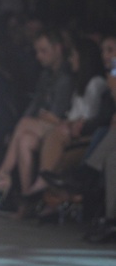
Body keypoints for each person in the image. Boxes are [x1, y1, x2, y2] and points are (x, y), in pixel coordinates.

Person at [0, 29, 73, 207]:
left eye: (44, 51)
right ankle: (27, 199)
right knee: (24, 140)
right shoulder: (46, 75)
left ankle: (2, 174)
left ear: (58, 48)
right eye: (37, 51)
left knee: (24, 124)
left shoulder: (66, 77)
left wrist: (37, 118)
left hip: (59, 130)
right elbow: (35, 108)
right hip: (41, 129)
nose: (39, 56)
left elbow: (57, 115)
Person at [26, 36, 107, 195]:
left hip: (85, 136)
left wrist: (68, 123)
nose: (70, 60)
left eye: (73, 56)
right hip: (73, 131)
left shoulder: (96, 83)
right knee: (32, 137)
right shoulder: (81, 84)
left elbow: (88, 117)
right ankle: (40, 187)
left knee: (52, 133)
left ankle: (42, 182)